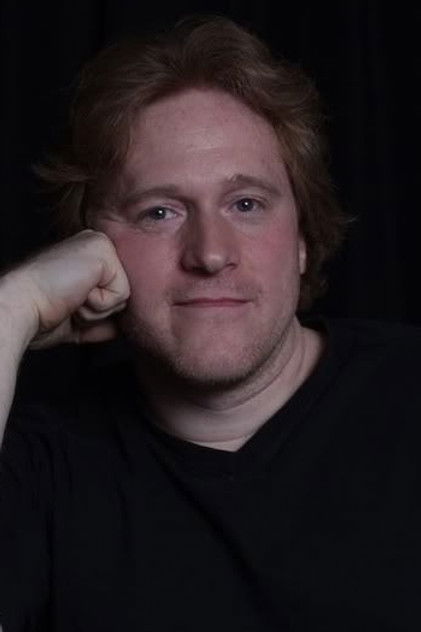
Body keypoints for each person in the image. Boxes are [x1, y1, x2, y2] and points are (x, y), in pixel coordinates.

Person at [0, 15, 420, 632]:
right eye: (160, 212)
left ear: (302, 240)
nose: (211, 253)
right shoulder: (41, 462)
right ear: (91, 248)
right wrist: (14, 307)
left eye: (246, 204)